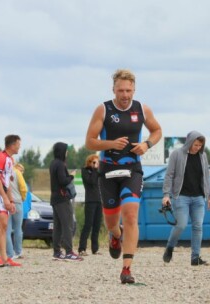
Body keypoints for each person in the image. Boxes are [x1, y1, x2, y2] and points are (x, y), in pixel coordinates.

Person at [85, 69, 162, 284]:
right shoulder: (103, 110)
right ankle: (115, 235)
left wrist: (146, 144)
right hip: (108, 170)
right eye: (121, 90)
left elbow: (157, 131)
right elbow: (89, 142)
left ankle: (126, 269)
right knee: (111, 222)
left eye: (129, 90)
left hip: (132, 170)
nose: (125, 94)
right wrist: (111, 144)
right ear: (114, 89)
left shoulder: (142, 109)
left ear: (134, 89)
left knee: (130, 215)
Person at [161, 131, 210, 266]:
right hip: (181, 197)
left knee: (198, 227)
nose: (197, 148)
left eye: (200, 145)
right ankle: (170, 247)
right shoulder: (176, 154)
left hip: (199, 198)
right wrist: (166, 194)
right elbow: (169, 175)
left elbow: (206, 176)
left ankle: (195, 258)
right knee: (181, 225)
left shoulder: (203, 156)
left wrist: (209, 196)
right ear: (189, 142)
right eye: (195, 144)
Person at [0, 134, 21, 267]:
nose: (19, 147)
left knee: (4, 225)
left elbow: (7, 182)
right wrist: (5, 199)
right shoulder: (1, 157)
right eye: (18, 144)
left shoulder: (10, 159)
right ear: (12, 145)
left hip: (2, 190)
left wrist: (11, 200)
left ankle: (3, 257)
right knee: (2, 223)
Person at [49, 142, 83, 261]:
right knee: (68, 225)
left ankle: (57, 251)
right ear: (62, 151)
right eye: (66, 150)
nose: (67, 152)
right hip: (62, 199)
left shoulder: (53, 163)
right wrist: (72, 176)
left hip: (54, 198)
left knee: (57, 226)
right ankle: (69, 252)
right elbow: (63, 181)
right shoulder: (61, 164)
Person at [78, 154, 102, 256]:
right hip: (90, 201)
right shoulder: (85, 171)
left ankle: (95, 249)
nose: (96, 164)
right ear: (89, 162)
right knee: (88, 225)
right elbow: (91, 182)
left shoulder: (98, 172)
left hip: (99, 200)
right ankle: (82, 248)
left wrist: (97, 170)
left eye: (97, 162)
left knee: (97, 225)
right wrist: (94, 170)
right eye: (94, 162)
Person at [6, 163, 27, 259]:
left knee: (7, 230)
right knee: (18, 228)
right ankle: (18, 251)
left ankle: (9, 253)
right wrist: (22, 197)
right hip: (17, 202)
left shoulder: (4, 172)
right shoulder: (17, 172)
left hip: (6, 203)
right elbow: (23, 187)